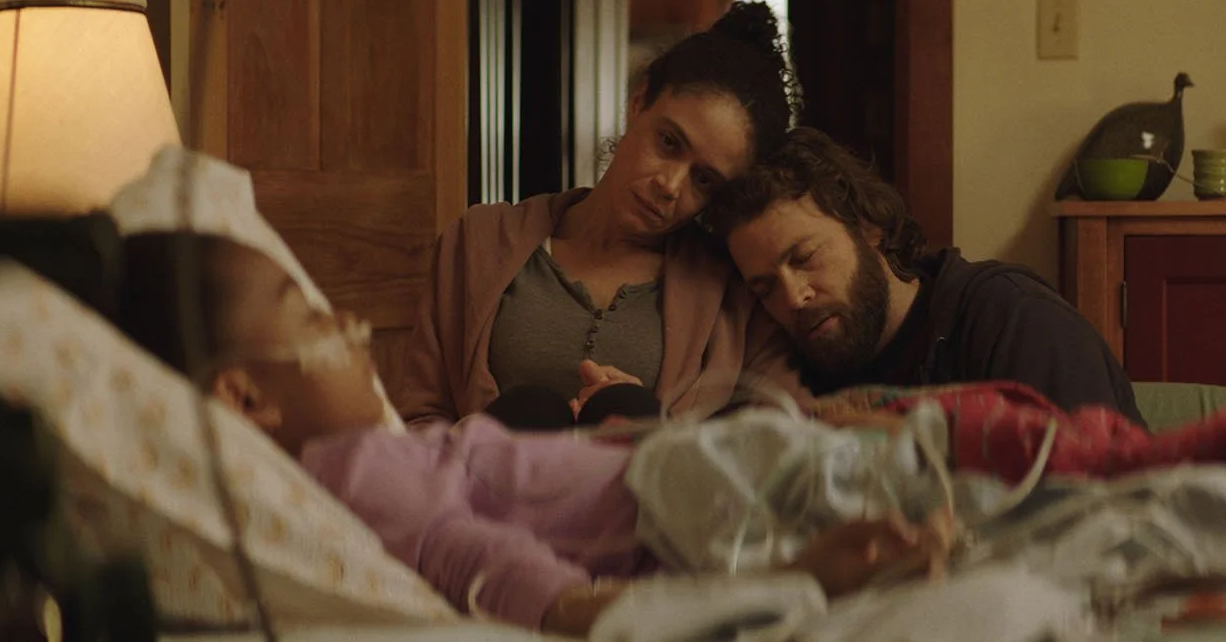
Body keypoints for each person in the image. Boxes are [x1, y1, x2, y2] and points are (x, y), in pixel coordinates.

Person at [113, 231, 948, 637]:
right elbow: (480, 559)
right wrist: (791, 577)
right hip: (678, 506)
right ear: (245, 395)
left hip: (670, 476)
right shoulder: (354, 470)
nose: (349, 328)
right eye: (313, 319)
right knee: (897, 473)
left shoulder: (359, 463)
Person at [390, 1, 811, 429]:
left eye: (703, 180)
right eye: (668, 143)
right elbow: (420, 418)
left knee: (628, 410)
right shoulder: (478, 242)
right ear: (639, 101)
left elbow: (776, 438)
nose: (670, 185)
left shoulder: (732, 289)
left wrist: (655, 427)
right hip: (484, 472)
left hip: (653, 473)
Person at [703, 127, 1144, 423]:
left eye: (805, 257)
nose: (793, 297)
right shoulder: (799, 375)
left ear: (868, 228)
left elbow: (1099, 503)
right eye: (765, 288)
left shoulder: (1013, 320)